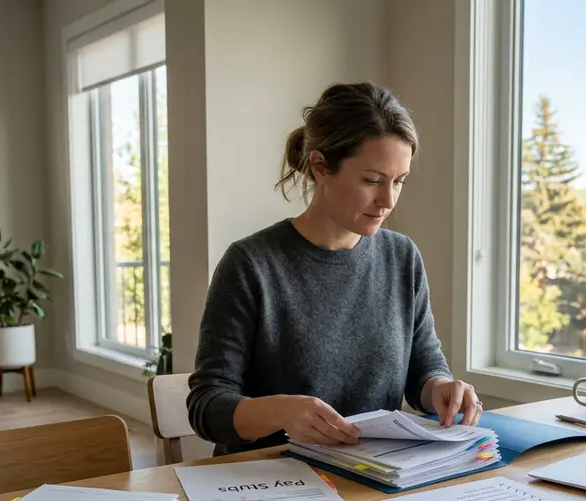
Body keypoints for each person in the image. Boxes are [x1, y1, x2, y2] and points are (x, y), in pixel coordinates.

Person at [186, 82, 483, 457]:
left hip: (370, 478)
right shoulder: (251, 264)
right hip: (269, 485)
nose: (388, 200)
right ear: (320, 167)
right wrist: (280, 412)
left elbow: (422, 370)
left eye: (399, 182)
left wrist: (441, 387)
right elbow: (206, 406)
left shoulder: (402, 257)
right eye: (372, 181)